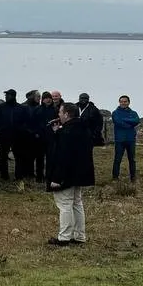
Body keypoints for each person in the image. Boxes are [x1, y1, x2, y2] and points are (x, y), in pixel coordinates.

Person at [47, 103, 95, 246]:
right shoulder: (83, 128)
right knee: (77, 203)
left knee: (65, 204)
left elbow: (63, 156)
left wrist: (57, 178)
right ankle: (80, 236)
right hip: (80, 173)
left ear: (67, 114)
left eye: (61, 112)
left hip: (66, 174)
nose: (59, 115)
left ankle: (64, 237)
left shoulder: (67, 132)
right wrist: (57, 132)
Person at [111, 95, 141, 182]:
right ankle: (115, 177)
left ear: (128, 102)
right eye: (121, 101)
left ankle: (133, 177)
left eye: (125, 101)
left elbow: (136, 120)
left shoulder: (133, 113)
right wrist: (129, 123)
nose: (123, 103)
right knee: (117, 159)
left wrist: (124, 120)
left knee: (132, 159)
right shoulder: (115, 113)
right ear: (119, 102)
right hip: (119, 140)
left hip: (131, 139)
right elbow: (118, 122)